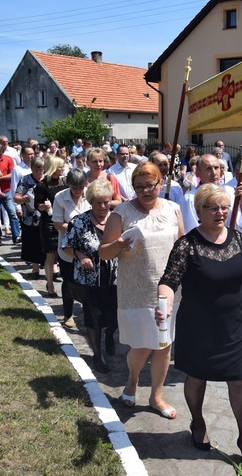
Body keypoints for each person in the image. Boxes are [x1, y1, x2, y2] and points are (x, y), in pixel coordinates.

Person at [158, 184, 242, 467]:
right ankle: (197, 422)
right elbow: (169, 281)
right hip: (198, 325)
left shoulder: (239, 239)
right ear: (199, 211)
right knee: (197, 376)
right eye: (213, 207)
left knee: (239, 381)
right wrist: (164, 304)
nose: (220, 212)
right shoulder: (186, 244)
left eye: (224, 207)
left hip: (234, 324)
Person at [100, 162, 184, 419]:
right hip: (137, 289)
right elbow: (104, 253)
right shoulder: (121, 213)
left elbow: (182, 245)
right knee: (141, 346)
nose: (146, 191)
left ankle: (156, 395)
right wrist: (120, 243)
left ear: (161, 183)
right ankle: (132, 380)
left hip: (169, 289)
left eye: (151, 185)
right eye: (140, 187)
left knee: (163, 346)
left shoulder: (173, 208)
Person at [61, 178, 120, 373]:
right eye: (98, 202)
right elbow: (66, 246)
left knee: (114, 316)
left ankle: (110, 334)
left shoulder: (118, 219)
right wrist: (80, 255)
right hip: (90, 279)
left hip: (115, 278)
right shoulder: (79, 222)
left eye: (106, 201)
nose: (103, 206)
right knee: (93, 318)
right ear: (91, 202)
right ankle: (97, 355)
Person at [52, 168, 91, 328]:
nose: (77, 191)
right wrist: (76, 228)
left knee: (89, 282)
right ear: (68, 184)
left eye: (80, 187)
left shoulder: (90, 195)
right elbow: (57, 224)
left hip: (88, 248)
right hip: (67, 249)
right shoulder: (60, 197)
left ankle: (89, 312)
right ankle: (68, 314)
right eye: (74, 187)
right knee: (68, 281)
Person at [34, 156, 68, 297]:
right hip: (48, 222)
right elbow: (37, 206)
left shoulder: (65, 182)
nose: (62, 169)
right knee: (50, 255)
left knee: (65, 253)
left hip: (63, 221)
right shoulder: (43, 185)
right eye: (60, 166)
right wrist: (44, 205)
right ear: (53, 168)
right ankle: (50, 284)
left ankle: (67, 283)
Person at [179, 154, 234, 232]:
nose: (214, 172)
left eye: (216, 168)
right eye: (208, 168)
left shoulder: (228, 193)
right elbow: (191, 229)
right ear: (198, 173)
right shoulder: (190, 199)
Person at [14, 157, 48, 281]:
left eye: (41, 169)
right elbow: (16, 196)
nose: (38, 171)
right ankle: (35, 268)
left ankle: (51, 267)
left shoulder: (48, 180)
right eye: (35, 169)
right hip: (30, 217)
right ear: (31, 168)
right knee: (33, 243)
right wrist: (23, 199)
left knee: (47, 243)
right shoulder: (26, 179)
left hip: (47, 216)